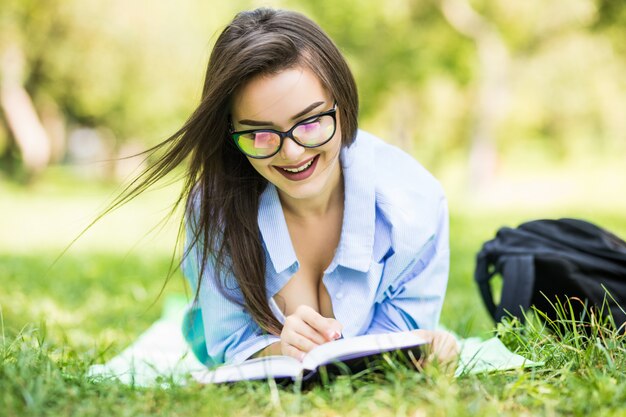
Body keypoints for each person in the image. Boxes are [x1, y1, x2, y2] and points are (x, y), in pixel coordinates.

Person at [159, 7, 459, 367]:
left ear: (342, 106)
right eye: (259, 133)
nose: (292, 152)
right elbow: (226, 343)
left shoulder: (414, 204)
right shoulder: (214, 207)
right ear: (230, 133)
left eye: (311, 122)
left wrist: (423, 348)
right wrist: (278, 349)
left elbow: (402, 338)